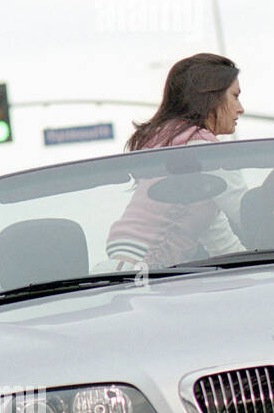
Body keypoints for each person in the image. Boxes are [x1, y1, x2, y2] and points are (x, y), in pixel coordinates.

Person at [105, 53, 247, 268]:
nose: (241, 108)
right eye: (235, 96)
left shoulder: (178, 148)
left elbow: (218, 237)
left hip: (123, 263)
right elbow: (246, 213)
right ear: (211, 97)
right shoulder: (202, 149)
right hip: (141, 266)